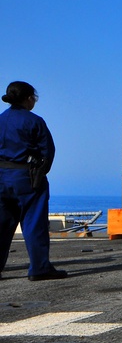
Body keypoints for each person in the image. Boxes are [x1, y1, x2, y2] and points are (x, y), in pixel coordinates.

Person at [0, 81, 67, 281]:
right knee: (33, 223)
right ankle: (39, 268)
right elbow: (48, 152)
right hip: (26, 177)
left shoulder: (1, 119)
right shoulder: (34, 121)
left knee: (2, 225)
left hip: (1, 177)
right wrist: (40, 174)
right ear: (29, 98)